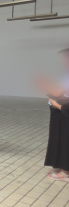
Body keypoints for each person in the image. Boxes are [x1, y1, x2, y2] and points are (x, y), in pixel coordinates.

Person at [37, 50, 69, 180]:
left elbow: (57, 92)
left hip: (65, 110)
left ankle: (66, 172)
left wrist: (42, 84)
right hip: (61, 110)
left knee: (66, 140)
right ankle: (61, 166)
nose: (64, 62)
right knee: (60, 139)